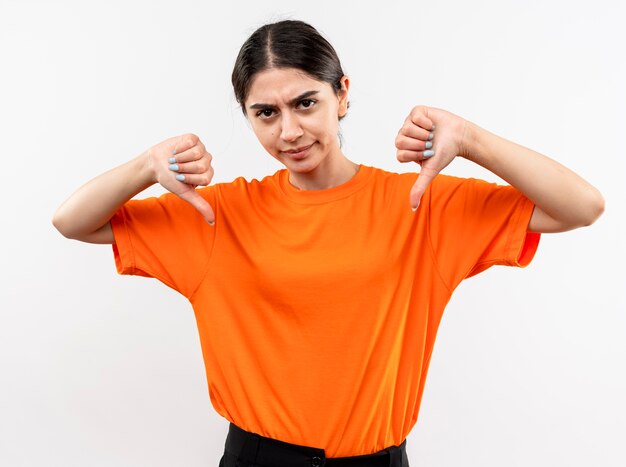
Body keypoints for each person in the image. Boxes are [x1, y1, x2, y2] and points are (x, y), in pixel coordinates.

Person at [52, 19, 604, 467]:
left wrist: (470, 139)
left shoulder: (421, 203)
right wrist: (146, 168)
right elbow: (70, 221)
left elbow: (582, 206)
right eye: (265, 113)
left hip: (379, 460)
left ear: (342, 94)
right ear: (247, 118)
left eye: (305, 103)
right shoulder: (217, 214)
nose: (288, 131)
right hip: (258, 460)